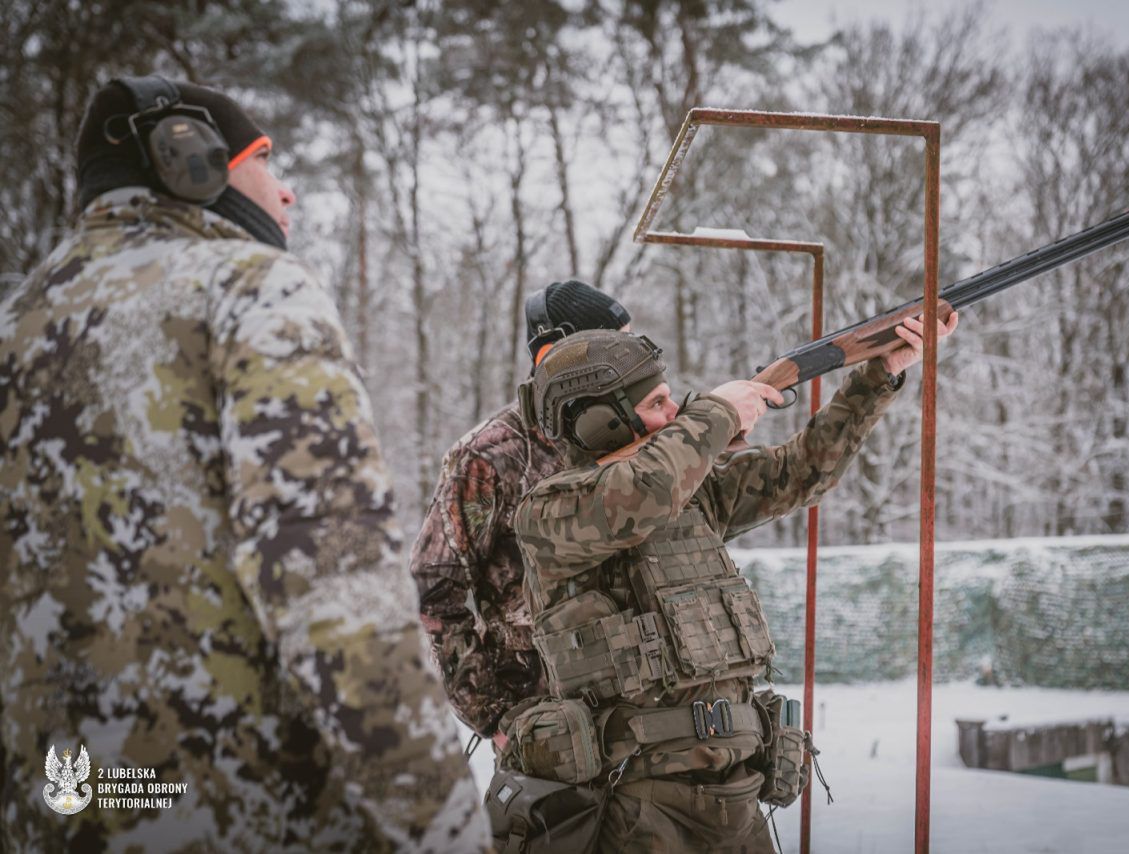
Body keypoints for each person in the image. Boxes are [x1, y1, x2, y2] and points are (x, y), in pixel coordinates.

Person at [0, 75, 488, 851]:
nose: (286, 192)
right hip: (241, 813)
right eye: (266, 161)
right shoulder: (250, 288)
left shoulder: (19, 321)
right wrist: (445, 825)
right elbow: (336, 590)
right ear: (185, 158)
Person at [502, 312, 957, 851]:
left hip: (737, 792)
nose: (674, 413)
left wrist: (877, 375)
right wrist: (718, 414)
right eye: (657, 405)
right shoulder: (549, 512)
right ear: (600, 423)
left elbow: (803, 470)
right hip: (637, 801)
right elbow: (641, 493)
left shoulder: (694, 491)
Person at [409, 280, 632, 743]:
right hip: (544, 724)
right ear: (562, 354)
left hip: (635, 710)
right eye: (617, 345)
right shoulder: (489, 455)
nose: (632, 360)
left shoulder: (632, 437)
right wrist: (495, 718)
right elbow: (432, 591)